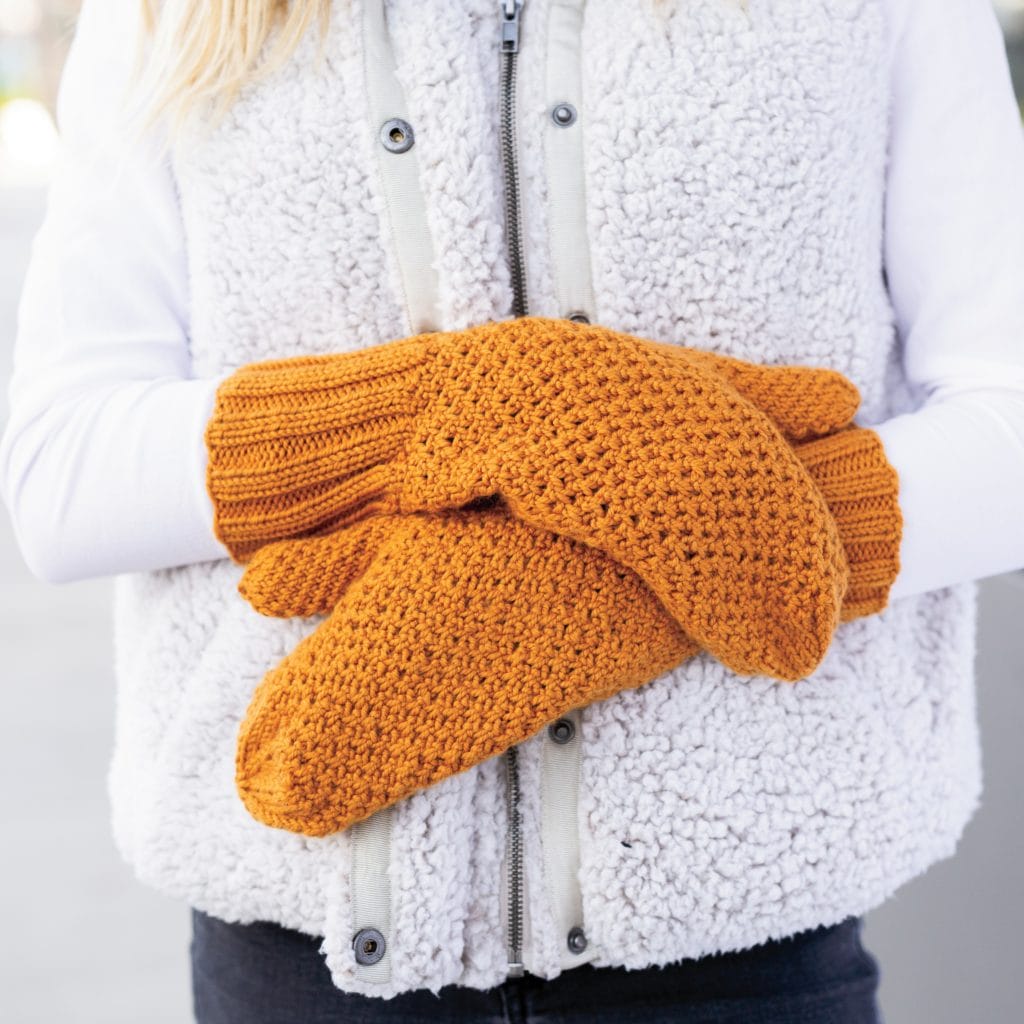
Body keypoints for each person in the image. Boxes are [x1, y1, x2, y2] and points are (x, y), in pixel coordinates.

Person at [2, 0, 1024, 1021]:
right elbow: (63, 472)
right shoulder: (170, 15)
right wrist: (464, 402)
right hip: (303, 950)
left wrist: (619, 573)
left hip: (741, 953)